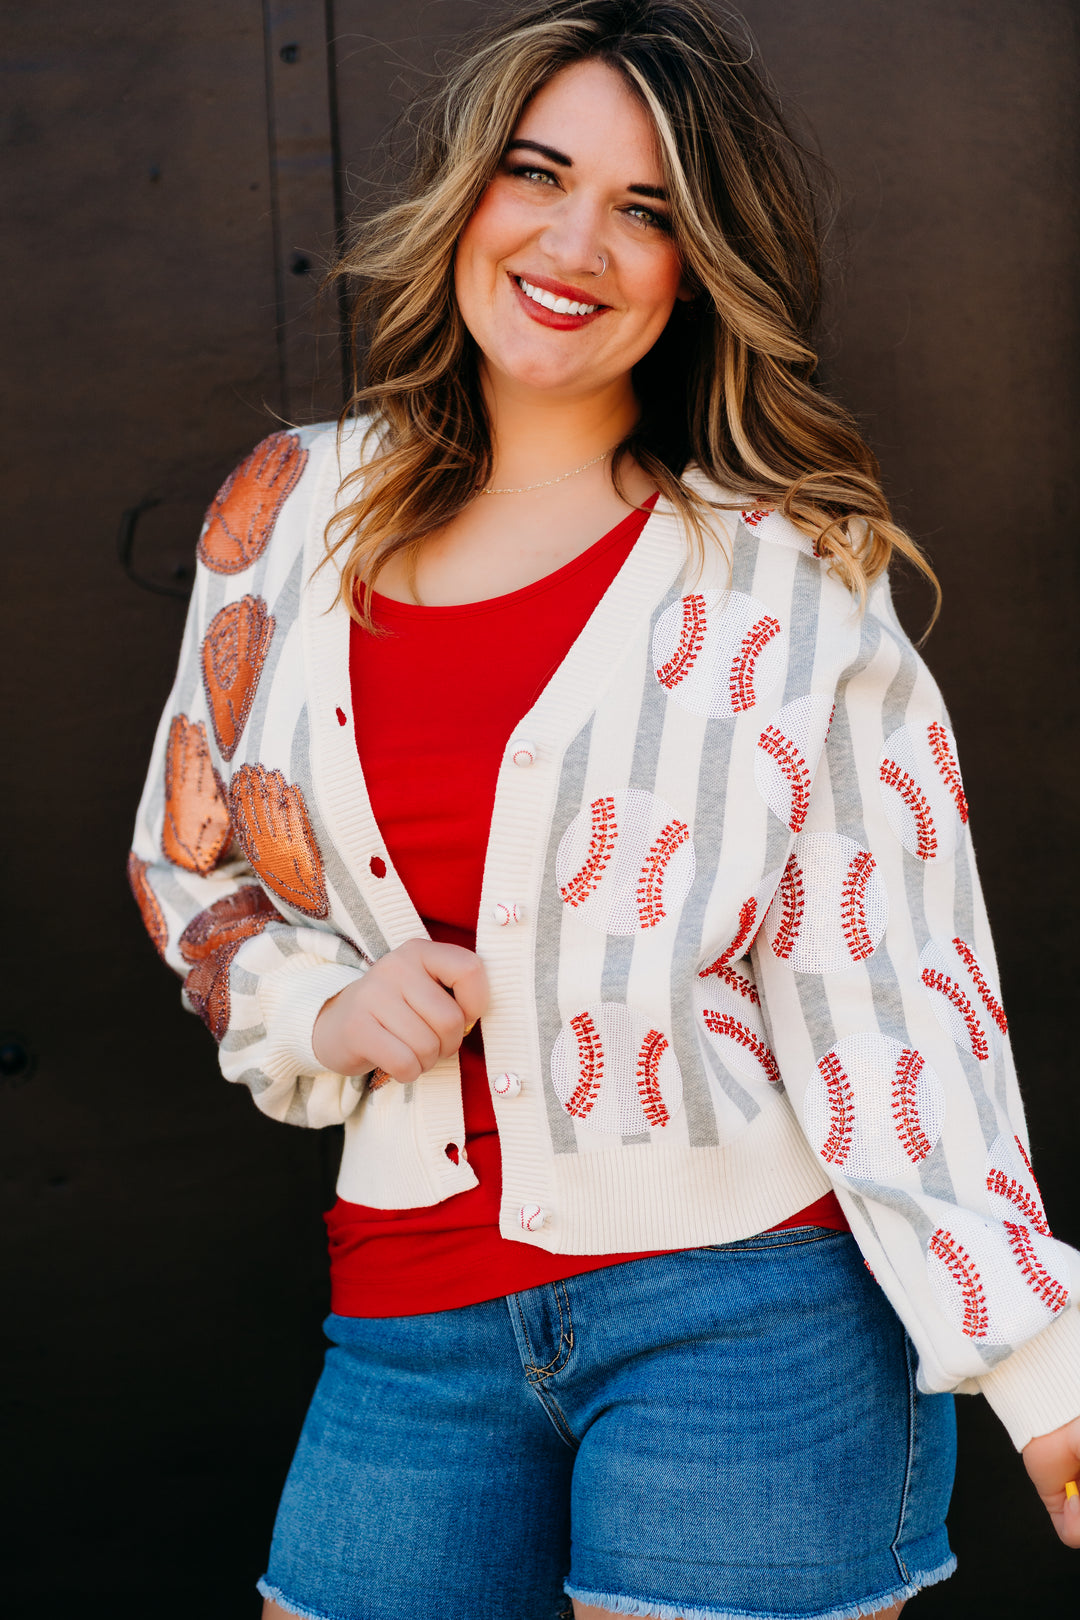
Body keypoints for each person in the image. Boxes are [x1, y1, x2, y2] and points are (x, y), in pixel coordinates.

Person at [128, 3, 1080, 1616]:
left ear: (700, 265)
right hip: (409, 1323)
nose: (579, 242)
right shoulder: (286, 514)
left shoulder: (786, 580)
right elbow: (193, 854)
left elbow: (894, 994)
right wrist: (318, 999)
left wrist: (1046, 1381)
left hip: (755, 1317)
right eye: (539, 175)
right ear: (467, 197)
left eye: (648, 210)